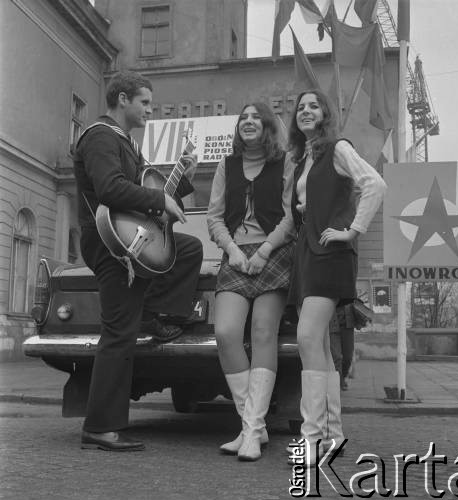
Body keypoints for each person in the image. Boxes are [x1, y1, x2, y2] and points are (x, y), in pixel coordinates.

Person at [74, 71, 203, 452]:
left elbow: (146, 190)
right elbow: (111, 188)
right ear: (124, 98)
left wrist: (181, 182)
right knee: (118, 334)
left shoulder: (126, 143)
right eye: (145, 102)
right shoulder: (100, 135)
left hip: (128, 239)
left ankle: (152, 313)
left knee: (189, 250)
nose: (150, 109)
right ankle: (100, 426)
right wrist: (160, 201)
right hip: (110, 243)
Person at [287, 89, 386, 465]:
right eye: (301, 108)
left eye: (314, 106)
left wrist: (353, 230)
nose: (306, 111)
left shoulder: (338, 149)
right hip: (308, 253)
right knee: (323, 349)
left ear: (325, 114)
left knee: (308, 336)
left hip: (331, 252)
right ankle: (332, 436)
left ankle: (311, 437)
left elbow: (375, 184)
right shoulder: (304, 160)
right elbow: (310, 204)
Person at [207, 102, 295, 461]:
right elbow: (214, 218)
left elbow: (292, 214)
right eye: (243, 117)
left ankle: (250, 431)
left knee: (262, 332)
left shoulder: (284, 162)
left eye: (256, 117)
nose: (248, 121)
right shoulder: (226, 166)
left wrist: (263, 251)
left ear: (268, 127)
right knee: (226, 333)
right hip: (236, 254)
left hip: (274, 253)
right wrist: (235, 251)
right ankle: (252, 428)